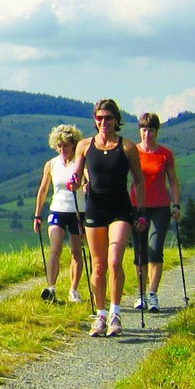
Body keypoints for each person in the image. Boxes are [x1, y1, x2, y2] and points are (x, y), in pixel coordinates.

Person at [70, 99, 146, 338]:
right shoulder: (84, 145)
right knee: (98, 265)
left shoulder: (127, 147)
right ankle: (100, 315)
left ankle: (115, 312)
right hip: (95, 208)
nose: (104, 122)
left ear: (116, 120)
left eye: (108, 118)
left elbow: (139, 181)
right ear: (95, 120)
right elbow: (77, 173)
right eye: (100, 118)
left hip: (120, 209)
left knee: (114, 261)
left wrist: (140, 211)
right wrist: (75, 181)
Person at [131, 112, 182, 312]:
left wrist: (175, 204)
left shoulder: (165, 154)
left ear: (156, 131)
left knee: (155, 249)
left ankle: (152, 294)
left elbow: (173, 181)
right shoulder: (132, 152)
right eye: (144, 130)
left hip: (160, 207)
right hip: (137, 206)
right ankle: (141, 294)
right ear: (139, 131)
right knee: (140, 252)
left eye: (151, 130)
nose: (147, 134)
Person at [32, 123, 85, 304]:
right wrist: (37, 214)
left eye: (66, 145)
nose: (63, 149)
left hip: (78, 210)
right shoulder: (51, 164)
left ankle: (73, 289)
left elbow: (88, 182)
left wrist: (85, 186)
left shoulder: (80, 162)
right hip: (57, 210)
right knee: (55, 249)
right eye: (59, 146)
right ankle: (51, 288)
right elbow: (43, 190)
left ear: (73, 145)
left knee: (76, 252)